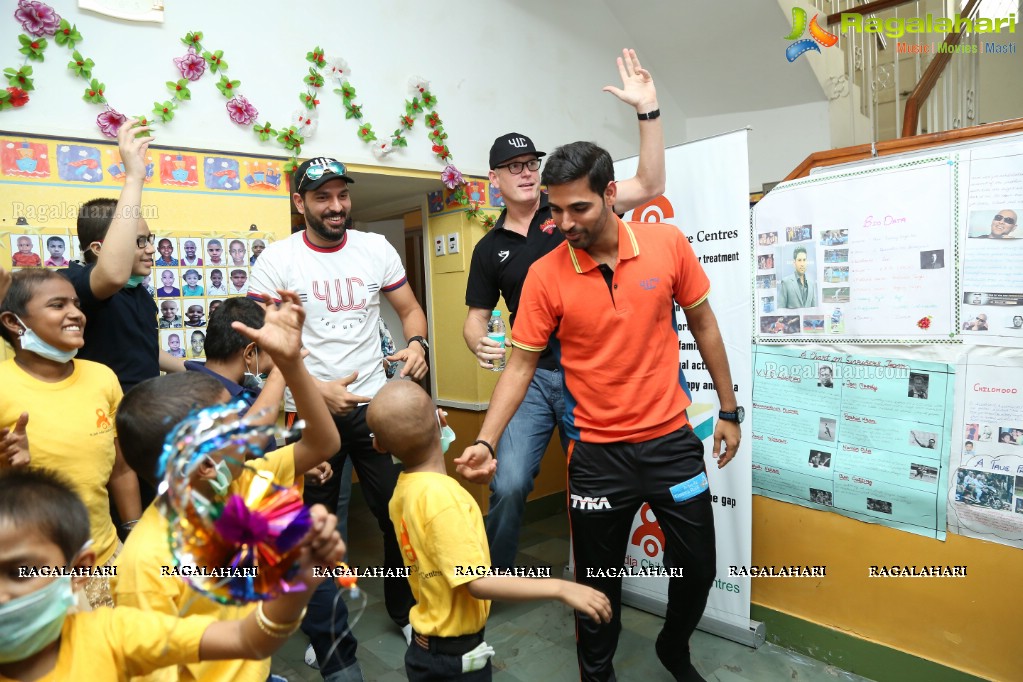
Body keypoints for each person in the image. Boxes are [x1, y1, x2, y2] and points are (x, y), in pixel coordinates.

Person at [454, 142, 741, 682]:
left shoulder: (666, 244)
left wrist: (729, 410)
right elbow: (520, 367)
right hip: (596, 457)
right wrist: (488, 440)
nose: (563, 222)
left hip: (670, 446)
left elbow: (705, 326)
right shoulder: (545, 275)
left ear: (610, 194)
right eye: (554, 209)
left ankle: (673, 649)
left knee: (699, 568)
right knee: (597, 585)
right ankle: (597, 674)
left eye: (577, 208)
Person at [462, 49, 665, 569]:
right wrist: (477, 340)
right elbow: (475, 317)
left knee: (598, 488)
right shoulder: (489, 249)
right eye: (514, 167)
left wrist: (647, 112)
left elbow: (650, 184)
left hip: (585, 376)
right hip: (529, 378)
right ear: (495, 180)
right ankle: (498, 576)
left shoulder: (574, 214)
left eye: (531, 163)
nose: (526, 172)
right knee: (507, 484)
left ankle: (594, 579)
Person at [115, 291, 360, 682]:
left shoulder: (242, 481)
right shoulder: (146, 563)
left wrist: (290, 364)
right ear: (206, 464)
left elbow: (322, 444)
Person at [248, 156, 429, 644]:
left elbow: (410, 310)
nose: (336, 206)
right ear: (299, 202)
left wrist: (417, 346)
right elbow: (261, 351)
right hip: (308, 412)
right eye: (322, 197)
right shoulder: (277, 261)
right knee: (312, 528)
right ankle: (323, 632)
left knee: (397, 514)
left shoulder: (375, 248)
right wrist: (311, 389)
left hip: (375, 407)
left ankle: (406, 613)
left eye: (342, 195)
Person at [0, 466, 344, 682]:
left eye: (17, 572)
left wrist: (300, 579)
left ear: (79, 571)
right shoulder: (145, 563)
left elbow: (248, 639)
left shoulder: (112, 635)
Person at [367, 381, 611, 681]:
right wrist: (561, 588)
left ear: (379, 445)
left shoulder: (402, 492)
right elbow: (477, 582)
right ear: (440, 420)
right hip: (453, 658)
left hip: (426, 647)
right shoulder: (446, 500)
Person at [0, 269, 140, 608]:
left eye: (76, 304)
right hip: (36, 577)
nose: (76, 313)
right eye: (57, 305)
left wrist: (133, 535)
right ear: (15, 322)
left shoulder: (102, 377)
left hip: (105, 560)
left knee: (113, 654)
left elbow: (121, 469)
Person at [63, 121, 170, 400]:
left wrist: (201, 369)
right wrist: (134, 178)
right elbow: (111, 276)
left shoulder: (139, 294)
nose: (150, 250)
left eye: (150, 239)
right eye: (139, 241)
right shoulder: (71, 284)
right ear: (99, 248)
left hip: (143, 414)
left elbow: (145, 352)